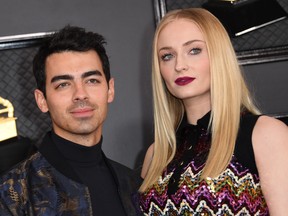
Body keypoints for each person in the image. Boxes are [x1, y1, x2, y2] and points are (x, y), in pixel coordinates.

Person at [138, 8, 288, 215]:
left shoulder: (265, 135)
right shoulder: (156, 154)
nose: (180, 65)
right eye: (167, 56)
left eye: (194, 50)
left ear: (219, 55)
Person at [0, 25, 141, 216]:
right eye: (64, 84)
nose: (80, 94)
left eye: (91, 80)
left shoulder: (134, 185)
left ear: (110, 90)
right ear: (42, 100)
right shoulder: (12, 194)